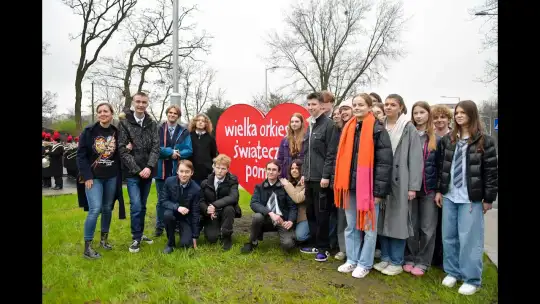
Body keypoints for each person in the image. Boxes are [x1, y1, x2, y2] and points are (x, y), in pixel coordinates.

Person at [435, 100, 498, 295]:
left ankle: (472, 278)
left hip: (471, 198)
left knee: (470, 239)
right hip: (450, 196)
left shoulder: (484, 141)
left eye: (463, 112)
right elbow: (441, 168)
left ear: (472, 114)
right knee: (449, 236)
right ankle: (453, 272)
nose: (459, 116)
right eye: (457, 113)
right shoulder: (449, 140)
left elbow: (491, 172)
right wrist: (439, 190)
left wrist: (489, 198)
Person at [333, 93, 393, 278]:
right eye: (355, 104)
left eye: (360, 104)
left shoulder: (377, 129)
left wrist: (379, 191)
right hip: (349, 187)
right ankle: (352, 260)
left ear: (369, 106)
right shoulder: (349, 128)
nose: (357, 107)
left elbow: (384, 163)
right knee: (351, 226)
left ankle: (365, 263)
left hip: (368, 188)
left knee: (368, 228)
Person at [373, 94, 423, 276]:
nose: (388, 107)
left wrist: (413, 187)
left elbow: (416, 159)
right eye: (386, 104)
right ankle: (385, 257)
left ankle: (396, 260)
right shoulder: (379, 125)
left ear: (401, 107)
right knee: (381, 220)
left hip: (401, 181)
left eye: (393, 104)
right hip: (382, 179)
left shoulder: (408, 128)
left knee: (398, 222)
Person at [76, 102, 126, 259]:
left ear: (111, 114)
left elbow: (120, 152)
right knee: (95, 209)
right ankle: (87, 247)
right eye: (100, 111)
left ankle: (103, 240)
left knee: (107, 208)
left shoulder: (117, 132)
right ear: (97, 114)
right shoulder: (89, 131)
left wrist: (128, 147)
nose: (103, 114)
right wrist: (87, 176)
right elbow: (81, 155)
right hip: (94, 178)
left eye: (106, 111)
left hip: (111, 177)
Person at [118, 92, 160, 253]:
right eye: (138, 101)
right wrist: (137, 169)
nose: (141, 104)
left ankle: (140, 233)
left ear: (147, 104)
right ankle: (135, 238)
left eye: (144, 102)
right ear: (133, 103)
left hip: (148, 172)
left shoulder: (152, 124)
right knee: (135, 205)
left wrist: (149, 167)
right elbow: (122, 150)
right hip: (132, 173)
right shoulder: (124, 124)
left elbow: (156, 148)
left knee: (142, 206)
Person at [300, 92, 338, 262]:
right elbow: (307, 153)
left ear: (322, 106)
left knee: (322, 214)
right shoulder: (310, 125)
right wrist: (304, 174)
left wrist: (326, 175)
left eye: (314, 104)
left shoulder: (329, 125)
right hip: (309, 178)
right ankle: (315, 243)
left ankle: (324, 247)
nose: (310, 107)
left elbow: (331, 153)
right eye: (308, 105)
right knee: (311, 213)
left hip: (321, 179)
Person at [403, 101, 440, 276]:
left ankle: (424, 261)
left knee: (427, 228)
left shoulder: (435, 139)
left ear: (428, 114)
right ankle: (410, 257)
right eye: (415, 113)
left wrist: (439, 189)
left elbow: (441, 167)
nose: (418, 116)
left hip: (428, 189)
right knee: (411, 225)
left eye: (422, 112)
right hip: (410, 188)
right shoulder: (408, 134)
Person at [240, 160, 297, 253]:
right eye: (269, 169)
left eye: (274, 170)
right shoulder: (259, 187)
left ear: (279, 172)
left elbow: (293, 207)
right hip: (265, 219)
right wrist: (270, 213)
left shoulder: (285, 187)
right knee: (257, 217)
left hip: (281, 221)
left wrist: (290, 220)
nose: (271, 172)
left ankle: (291, 237)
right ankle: (252, 241)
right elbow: (254, 203)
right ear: (265, 170)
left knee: (288, 245)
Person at [154, 104, 193, 237]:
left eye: (175, 113)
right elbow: (154, 148)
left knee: (176, 199)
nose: (172, 115)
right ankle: (159, 226)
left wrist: (178, 154)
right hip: (161, 170)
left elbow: (189, 150)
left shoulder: (184, 131)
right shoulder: (158, 129)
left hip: (177, 171)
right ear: (167, 114)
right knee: (161, 200)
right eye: (170, 112)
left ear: (178, 116)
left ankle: (175, 224)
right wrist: (170, 152)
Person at [199, 154, 240, 251]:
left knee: (229, 208)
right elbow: (201, 200)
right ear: (213, 167)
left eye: (223, 168)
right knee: (212, 239)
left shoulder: (232, 181)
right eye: (217, 168)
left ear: (227, 169)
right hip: (211, 213)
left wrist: (214, 205)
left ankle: (227, 236)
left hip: (225, 210)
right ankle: (214, 229)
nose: (220, 171)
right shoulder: (205, 182)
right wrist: (207, 209)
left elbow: (234, 197)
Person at [159, 160, 201, 253]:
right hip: (172, 212)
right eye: (181, 171)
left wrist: (195, 236)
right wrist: (177, 207)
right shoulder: (169, 181)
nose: (184, 174)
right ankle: (170, 243)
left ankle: (182, 230)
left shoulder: (196, 189)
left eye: (187, 172)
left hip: (186, 218)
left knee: (186, 244)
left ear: (192, 173)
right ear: (177, 171)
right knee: (167, 215)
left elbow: (195, 213)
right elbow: (163, 200)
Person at [330, 97, 353, 261]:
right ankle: (343, 249)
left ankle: (354, 251)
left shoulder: (360, 128)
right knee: (341, 217)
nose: (343, 113)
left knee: (353, 219)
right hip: (340, 180)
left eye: (346, 109)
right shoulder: (338, 131)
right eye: (340, 110)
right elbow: (332, 156)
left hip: (356, 180)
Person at [279, 160, 306, 244]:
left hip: (304, 217)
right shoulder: (290, 182)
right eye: (292, 168)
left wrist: (287, 185)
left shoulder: (306, 183)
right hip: (292, 215)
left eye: (297, 168)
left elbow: (298, 198)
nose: (294, 170)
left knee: (300, 236)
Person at [189, 113, 218, 185]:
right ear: (195, 122)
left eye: (203, 121)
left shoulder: (210, 138)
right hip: (191, 172)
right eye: (198, 120)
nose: (200, 122)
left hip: (206, 173)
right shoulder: (189, 136)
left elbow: (213, 155)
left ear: (206, 124)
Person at [277, 113, 306, 178]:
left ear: (301, 123)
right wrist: (279, 176)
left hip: (301, 175)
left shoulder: (306, 139)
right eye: (292, 122)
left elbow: (308, 160)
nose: (294, 124)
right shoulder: (285, 140)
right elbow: (280, 159)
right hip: (286, 174)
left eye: (297, 121)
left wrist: (304, 175)